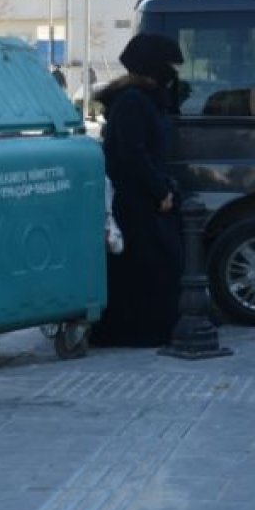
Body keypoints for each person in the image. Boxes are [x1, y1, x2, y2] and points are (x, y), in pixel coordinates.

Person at [88, 33, 185, 347]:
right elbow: (133, 153)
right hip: (137, 203)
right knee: (146, 269)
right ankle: (138, 332)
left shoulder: (144, 98)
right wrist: (160, 191)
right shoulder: (132, 101)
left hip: (146, 198)